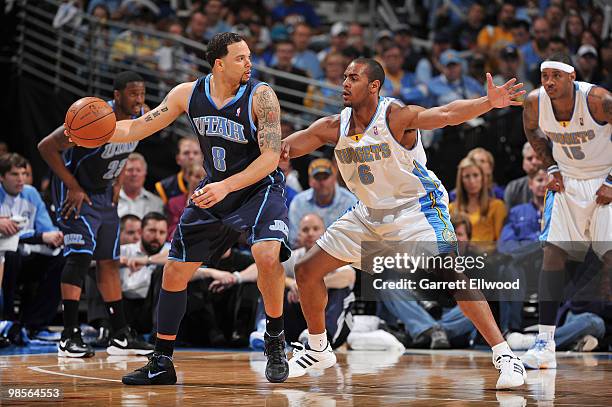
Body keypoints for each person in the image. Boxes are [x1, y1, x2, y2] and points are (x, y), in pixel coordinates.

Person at [281, 57, 527, 389]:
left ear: (374, 86)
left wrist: (487, 102)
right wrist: (268, 148)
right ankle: (318, 347)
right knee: (306, 270)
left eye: (353, 78)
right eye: (344, 77)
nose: (345, 83)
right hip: (369, 213)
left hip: (416, 209)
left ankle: (505, 355)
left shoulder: (395, 117)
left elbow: (446, 114)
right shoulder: (333, 126)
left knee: (451, 271)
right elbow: (289, 148)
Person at [106, 33, 291, 385]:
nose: (249, 63)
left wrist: (225, 185)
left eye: (249, 56)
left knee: (267, 256)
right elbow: (138, 127)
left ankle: (275, 339)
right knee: (174, 272)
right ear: (219, 63)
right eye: (241, 58)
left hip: (256, 189)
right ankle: (161, 361)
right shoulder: (186, 94)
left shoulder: (261, 96)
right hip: (216, 191)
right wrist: (98, 132)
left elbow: (270, 158)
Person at [37, 71, 153, 358]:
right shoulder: (94, 116)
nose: (139, 99)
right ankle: (68, 335)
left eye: (142, 93)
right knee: (78, 258)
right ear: (117, 95)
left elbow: (125, 150)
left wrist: (119, 178)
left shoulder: (142, 116)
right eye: (132, 94)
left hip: (102, 194)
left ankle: (119, 336)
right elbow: (46, 147)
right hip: (78, 193)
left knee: (108, 262)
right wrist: (73, 186)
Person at [521, 53, 611, 369]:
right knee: (553, 253)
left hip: (604, 178)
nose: (548, 82)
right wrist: (552, 166)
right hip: (568, 182)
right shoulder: (535, 102)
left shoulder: (598, 99)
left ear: (571, 77)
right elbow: (532, 132)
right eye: (545, 76)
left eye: (555, 76)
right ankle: (545, 342)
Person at [449, 158, 507, 243]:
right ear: (461, 180)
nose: (472, 181)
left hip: (488, 255)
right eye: (467, 176)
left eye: (475, 175)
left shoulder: (497, 206)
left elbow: (502, 244)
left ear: (483, 178)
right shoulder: (451, 208)